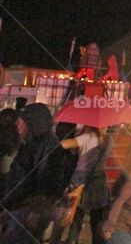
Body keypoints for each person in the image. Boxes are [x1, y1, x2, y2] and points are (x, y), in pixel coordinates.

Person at [2, 103, 70, 243]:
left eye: (21, 122)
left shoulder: (46, 146)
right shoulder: (32, 143)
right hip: (19, 207)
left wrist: (36, 211)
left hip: (29, 210)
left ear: (33, 122)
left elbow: (48, 183)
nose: (18, 126)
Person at [62, 125, 112, 244]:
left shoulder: (87, 137)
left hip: (80, 183)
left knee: (75, 222)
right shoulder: (109, 139)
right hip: (99, 184)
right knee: (97, 223)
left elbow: (63, 144)